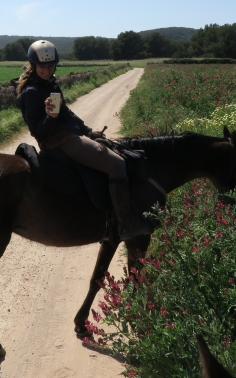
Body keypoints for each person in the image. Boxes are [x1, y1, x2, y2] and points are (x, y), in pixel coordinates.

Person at [15, 40, 154, 240]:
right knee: (117, 164)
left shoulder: (48, 84)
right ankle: (128, 223)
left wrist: (88, 131)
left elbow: (67, 112)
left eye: (51, 65)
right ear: (33, 65)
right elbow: (37, 130)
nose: (47, 69)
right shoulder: (32, 92)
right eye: (42, 66)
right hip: (60, 143)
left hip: (70, 136)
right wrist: (50, 118)